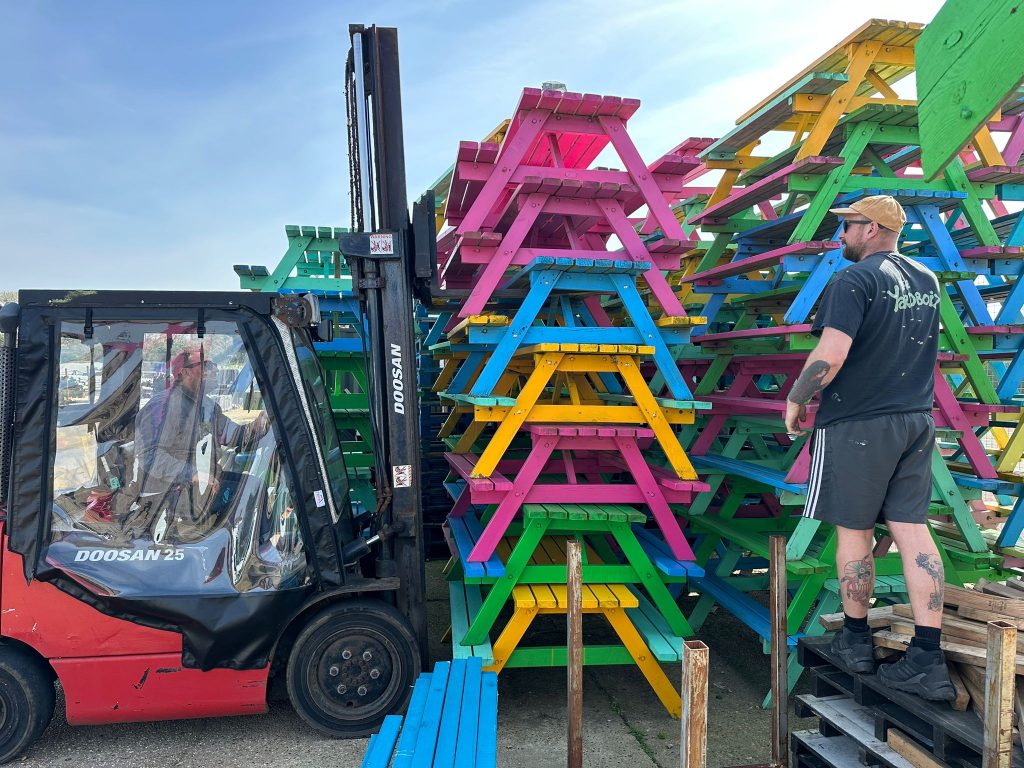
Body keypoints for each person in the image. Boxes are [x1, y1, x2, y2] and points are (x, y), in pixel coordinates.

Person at [784, 195, 953, 701]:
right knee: (912, 531)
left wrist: (796, 397)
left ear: (874, 228)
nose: (841, 237)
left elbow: (832, 352)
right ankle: (928, 657)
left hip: (858, 423)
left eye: (848, 227)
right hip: (914, 421)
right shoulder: (927, 280)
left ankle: (856, 642)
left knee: (853, 532)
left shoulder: (853, 280)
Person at [131, 347, 267, 542]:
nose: (213, 371)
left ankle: (260, 549)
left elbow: (231, 436)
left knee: (255, 487)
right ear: (185, 372)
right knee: (247, 494)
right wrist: (192, 473)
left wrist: (256, 427)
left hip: (205, 484)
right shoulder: (164, 406)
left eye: (212, 365)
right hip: (172, 490)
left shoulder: (207, 405)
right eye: (205, 365)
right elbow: (150, 456)